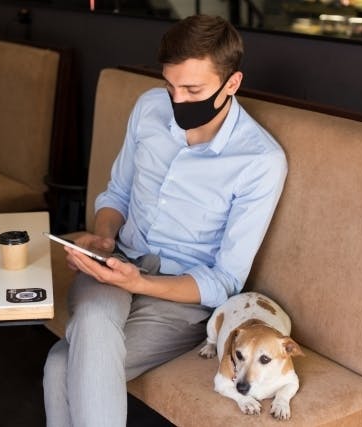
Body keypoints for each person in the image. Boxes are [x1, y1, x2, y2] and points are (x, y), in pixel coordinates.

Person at [43, 14, 287, 427]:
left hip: (180, 298)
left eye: (193, 90)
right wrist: (103, 239)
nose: (177, 101)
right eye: (171, 86)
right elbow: (116, 194)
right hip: (117, 261)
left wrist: (139, 284)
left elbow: (225, 280)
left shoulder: (260, 161)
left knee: (59, 366)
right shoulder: (149, 108)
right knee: (93, 322)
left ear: (232, 83)